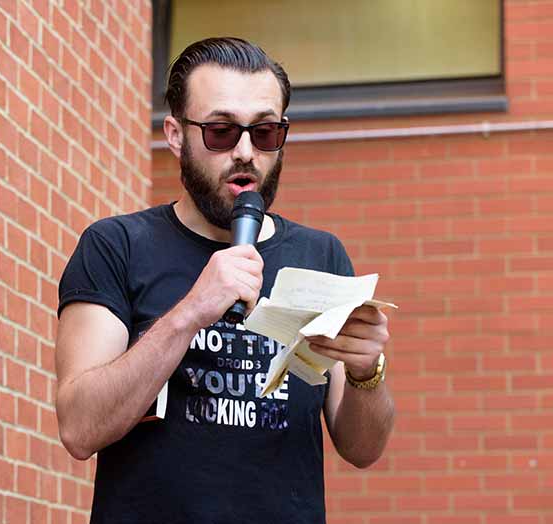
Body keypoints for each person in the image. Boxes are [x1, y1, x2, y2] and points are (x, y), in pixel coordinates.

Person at [55, 37, 395, 523]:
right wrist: (191, 311)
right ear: (176, 135)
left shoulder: (321, 255)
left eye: (264, 133)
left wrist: (367, 374)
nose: (244, 152)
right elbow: (79, 427)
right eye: (220, 131)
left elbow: (363, 448)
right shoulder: (117, 246)